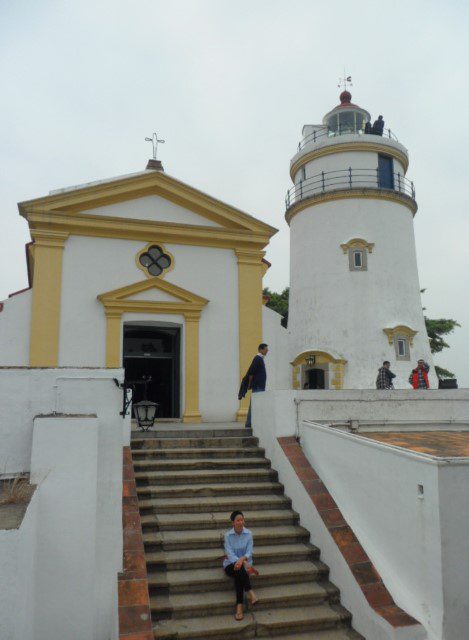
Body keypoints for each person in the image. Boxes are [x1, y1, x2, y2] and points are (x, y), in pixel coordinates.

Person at [223, 511, 258, 621]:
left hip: (244, 563)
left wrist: (242, 560)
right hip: (230, 564)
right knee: (238, 570)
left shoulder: (249, 534)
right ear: (233, 523)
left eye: (242, 520)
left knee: (239, 573)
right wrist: (239, 562)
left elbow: (249, 552)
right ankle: (250, 592)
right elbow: (229, 554)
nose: (240, 522)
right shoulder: (228, 535)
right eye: (238, 520)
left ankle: (239, 607)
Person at [244, 343, 268, 428]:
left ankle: (249, 423)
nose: (267, 351)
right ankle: (249, 423)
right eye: (266, 349)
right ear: (261, 350)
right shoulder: (257, 358)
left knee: (254, 404)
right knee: (255, 405)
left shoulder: (260, 359)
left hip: (259, 386)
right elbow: (251, 372)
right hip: (258, 386)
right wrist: (250, 384)